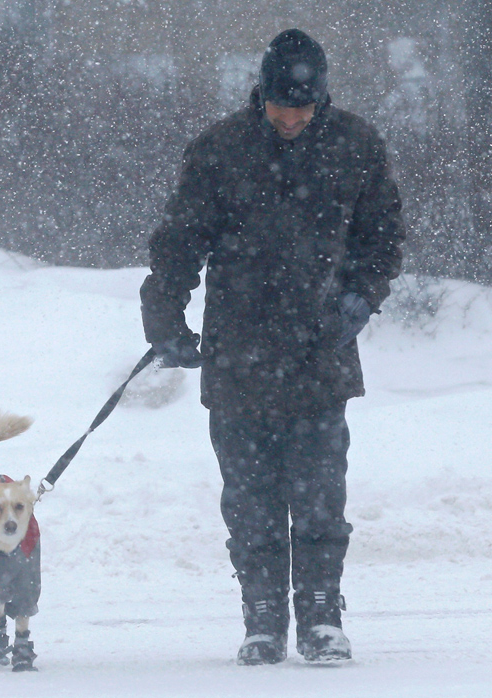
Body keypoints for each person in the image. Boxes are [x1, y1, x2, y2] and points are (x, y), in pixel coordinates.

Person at [140, 28, 405, 664]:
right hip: (239, 357)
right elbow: (178, 243)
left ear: (321, 99)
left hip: (320, 353)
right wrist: (165, 320)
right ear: (261, 94)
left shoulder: (356, 144)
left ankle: (321, 616)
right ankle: (262, 617)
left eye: (304, 107)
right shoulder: (219, 150)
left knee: (319, 496)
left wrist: (362, 298)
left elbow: (384, 236)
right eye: (282, 106)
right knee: (251, 500)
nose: (292, 119)